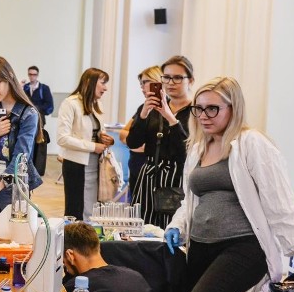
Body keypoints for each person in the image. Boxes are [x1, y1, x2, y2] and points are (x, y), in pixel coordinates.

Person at [164, 76, 294, 292]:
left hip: (243, 247)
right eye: (198, 109)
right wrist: (177, 225)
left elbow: (279, 199)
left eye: (212, 109)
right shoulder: (199, 147)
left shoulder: (251, 144)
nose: (203, 116)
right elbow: (192, 202)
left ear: (233, 107)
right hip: (201, 247)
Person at [126, 56, 193, 228]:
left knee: (170, 229)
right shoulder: (150, 107)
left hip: (177, 178)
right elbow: (133, 143)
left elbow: (187, 151)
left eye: (178, 78)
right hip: (149, 175)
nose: (171, 82)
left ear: (190, 80)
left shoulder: (196, 112)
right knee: (142, 228)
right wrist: (143, 115)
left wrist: (170, 117)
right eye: (166, 77)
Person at [0, 56, 42, 222]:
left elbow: (20, 160)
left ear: (9, 78)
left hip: (12, 187)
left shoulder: (28, 114)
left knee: (11, 239)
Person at [56, 68, 113, 220]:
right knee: (76, 209)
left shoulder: (97, 104)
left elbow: (97, 132)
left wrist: (106, 139)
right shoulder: (70, 103)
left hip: (95, 164)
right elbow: (62, 138)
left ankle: (90, 240)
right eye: (103, 83)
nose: (105, 88)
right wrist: (93, 146)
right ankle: (73, 241)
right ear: (89, 82)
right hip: (76, 164)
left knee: (91, 208)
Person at [119, 65, 162, 201]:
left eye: (145, 82)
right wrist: (138, 144)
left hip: (155, 169)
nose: (142, 87)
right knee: (136, 205)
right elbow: (124, 133)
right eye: (141, 84)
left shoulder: (167, 108)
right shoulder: (143, 108)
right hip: (137, 163)